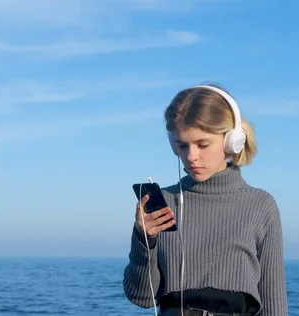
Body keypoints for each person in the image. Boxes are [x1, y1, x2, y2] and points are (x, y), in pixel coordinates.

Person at [123, 84, 288, 316]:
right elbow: (141, 297)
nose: (191, 157)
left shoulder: (261, 205)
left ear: (232, 141)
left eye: (202, 144)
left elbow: (274, 305)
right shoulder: (164, 203)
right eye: (182, 145)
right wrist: (144, 240)